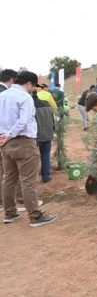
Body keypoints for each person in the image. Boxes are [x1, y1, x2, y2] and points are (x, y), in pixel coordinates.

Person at [0, 71, 58, 226]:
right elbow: (23, 121)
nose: (33, 90)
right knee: (28, 182)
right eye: (33, 86)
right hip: (23, 143)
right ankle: (35, 216)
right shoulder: (25, 97)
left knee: (8, 179)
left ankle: (10, 213)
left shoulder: (2, 96)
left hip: (5, 144)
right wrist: (10, 134)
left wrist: (5, 136)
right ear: (29, 84)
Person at [0, 69, 24, 211]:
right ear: (12, 80)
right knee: (10, 172)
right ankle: (18, 201)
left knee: (5, 172)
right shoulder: (6, 94)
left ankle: (5, 203)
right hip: (7, 138)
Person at [32, 90, 54, 183]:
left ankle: (32, 179)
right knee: (45, 156)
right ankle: (46, 176)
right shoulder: (47, 104)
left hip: (35, 136)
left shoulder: (28, 105)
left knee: (32, 158)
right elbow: (52, 119)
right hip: (47, 134)